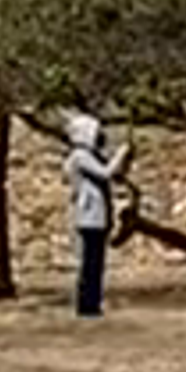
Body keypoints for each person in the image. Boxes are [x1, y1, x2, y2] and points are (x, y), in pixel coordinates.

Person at [62, 108, 120, 324]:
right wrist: (121, 154)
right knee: (91, 262)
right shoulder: (81, 156)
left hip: (96, 214)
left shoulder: (88, 156)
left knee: (96, 261)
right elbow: (106, 173)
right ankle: (87, 305)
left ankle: (93, 302)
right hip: (89, 215)